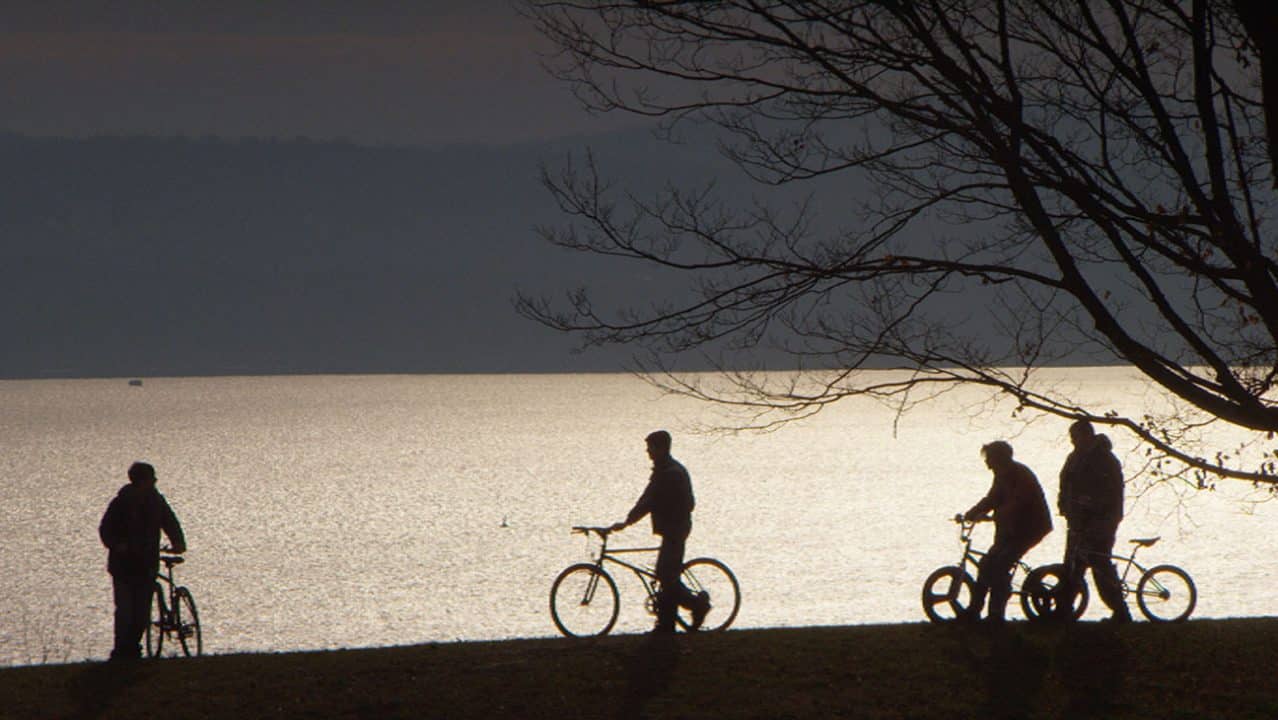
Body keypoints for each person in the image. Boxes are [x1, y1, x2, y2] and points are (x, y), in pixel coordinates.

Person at [611, 430, 710, 634]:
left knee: (667, 576)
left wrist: (628, 522)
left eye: (651, 448)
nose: (647, 452)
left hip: (676, 528)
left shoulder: (670, 473)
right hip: (672, 528)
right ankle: (666, 624)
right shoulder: (663, 470)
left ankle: (696, 606)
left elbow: (651, 501)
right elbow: (647, 497)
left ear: (661, 448)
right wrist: (628, 519)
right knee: (665, 575)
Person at [99, 461, 186, 660]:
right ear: (142, 481)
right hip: (124, 565)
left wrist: (178, 542)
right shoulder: (121, 503)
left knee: (141, 611)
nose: (155, 482)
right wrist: (117, 545)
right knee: (126, 610)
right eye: (152, 478)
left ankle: (132, 648)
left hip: (146, 564)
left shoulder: (156, 501)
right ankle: (122, 650)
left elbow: (170, 522)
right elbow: (106, 529)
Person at [961, 441, 1052, 623]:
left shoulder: (1020, 474)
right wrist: (972, 513)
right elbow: (992, 498)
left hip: (1028, 529)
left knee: (1000, 565)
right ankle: (974, 611)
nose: (987, 465)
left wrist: (998, 515)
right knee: (987, 564)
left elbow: (1019, 502)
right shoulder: (1002, 475)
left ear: (999, 459)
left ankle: (996, 615)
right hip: (1010, 529)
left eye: (990, 460)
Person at [1058, 419, 1131, 622]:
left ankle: (1120, 610)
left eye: (1077, 437)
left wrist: (1092, 504)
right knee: (1073, 564)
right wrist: (1064, 506)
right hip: (1077, 520)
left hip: (1102, 521)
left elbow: (1112, 492)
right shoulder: (1074, 457)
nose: (1074, 441)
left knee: (1099, 563)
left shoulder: (1105, 459)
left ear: (1088, 435)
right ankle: (1064, 609)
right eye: (1072, 438)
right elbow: (1065, 484)